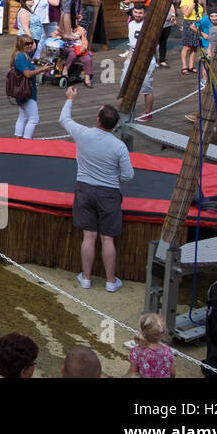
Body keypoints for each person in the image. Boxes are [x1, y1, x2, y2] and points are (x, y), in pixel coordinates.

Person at [60, 88, 134, 292]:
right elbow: (128, 175)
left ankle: (86, 278)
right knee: (107, 237)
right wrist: (112, 178)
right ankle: (110, 281)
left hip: (85, 189)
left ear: (99, 119)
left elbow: (64, 119)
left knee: (89, 236)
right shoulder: (119, 146)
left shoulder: (83, 134)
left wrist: (70, 99)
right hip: (108, 192)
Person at [125, 3, 157, 121]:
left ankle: (148, 113)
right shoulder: (131, 24)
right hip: (133, 57)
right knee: (129, 84)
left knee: (146, 87)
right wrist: (128, 58)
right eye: (136, 12)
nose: (137, 15)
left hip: (146, 59)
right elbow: (131, 43)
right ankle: (128, 109)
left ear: (145, 14)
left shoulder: (148, 25)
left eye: (140, 13)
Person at [11, 36, 46, 139]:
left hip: (23, 91)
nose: (30, 45)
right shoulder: (21, 57)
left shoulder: (23, 55)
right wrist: (42, 69)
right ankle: (27, 141)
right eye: (27, 44)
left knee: (23, 115)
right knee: (34, 118)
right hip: (26, 91)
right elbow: (27, 74)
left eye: (31, 42)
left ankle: (18, 139)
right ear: (21, 45)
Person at [126, 313, 175, 378]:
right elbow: (172, 373)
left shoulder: (137, 351)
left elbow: (132, 373)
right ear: (162, 334)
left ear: (142, 331)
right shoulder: (168, 351)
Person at [177, 0, 203, 74]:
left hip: (198, 23)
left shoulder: (197, 1)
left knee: (195, 46)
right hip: (189, 23)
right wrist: (193, 4)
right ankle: (184, 66)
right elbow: (187, 13)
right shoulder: (185, 1)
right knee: (187, 46)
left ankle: (191, 65)